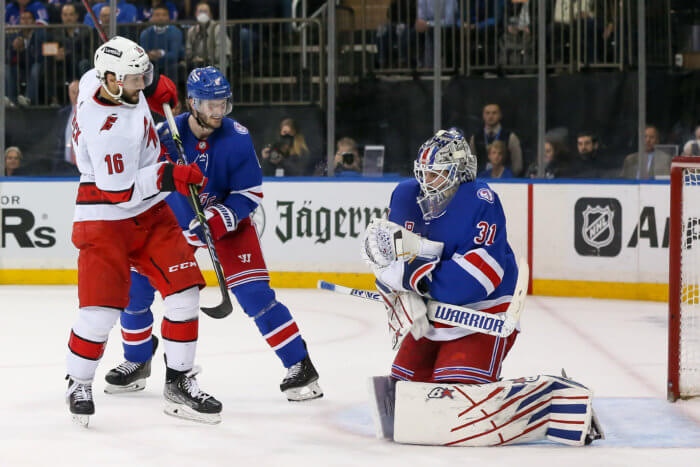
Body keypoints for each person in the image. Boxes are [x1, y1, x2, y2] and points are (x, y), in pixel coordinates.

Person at [361, 129, 602, 446]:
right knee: (401, 397)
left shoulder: (480, 200)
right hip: (433, 319)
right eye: (423, 172)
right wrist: (400, 292)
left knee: (456, 402)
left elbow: (477, 280)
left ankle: (549, 398)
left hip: (484, 314)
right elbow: (387, 264)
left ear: (459, 173)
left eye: (436, 173)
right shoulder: (405, 196)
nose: (426, 181)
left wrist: (415, 280)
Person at [103, 66, 323, 402]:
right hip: (176, 225)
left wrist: (218, 219)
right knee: (136, 287)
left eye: (222, 104)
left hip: (228, 224)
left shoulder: (237, 137)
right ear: (191, 102)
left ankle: (300, 366)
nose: (218, 111)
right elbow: (143, 175)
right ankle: (137, 360)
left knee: (254, 295)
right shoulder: (166, 134)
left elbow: (249, 193)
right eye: (210, 104)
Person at [65, 36, 222, 427]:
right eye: (136, 79)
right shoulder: (108, 131)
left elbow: (101, 75)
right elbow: (119, 192)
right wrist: (172, 174)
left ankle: (180, 382)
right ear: (113, 81)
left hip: (150, 213)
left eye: (142, 75)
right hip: (104, 217)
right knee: (100, 312)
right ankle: (78, 381)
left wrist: (151, 85)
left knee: (184, 293)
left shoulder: (94, 80)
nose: (142, 83)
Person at [5, 10, 45, 107]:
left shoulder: (40, 35)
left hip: (36, 69)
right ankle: (11, 100)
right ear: (20, 21)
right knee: (6, 67)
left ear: (34, 21)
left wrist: (23, 49)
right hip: (20, 70)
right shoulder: (14, 36)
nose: (26, 21)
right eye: (23, 19)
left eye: (28, 18)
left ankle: (28, 99)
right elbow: (8, 59)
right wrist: (14, 49)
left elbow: (38, 58)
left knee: (35, 68)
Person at [469, 103, 523, 176]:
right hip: (481, 179)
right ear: (483, 115)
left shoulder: (510, 137)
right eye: (487, 113)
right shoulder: (475, 138)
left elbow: (517, 165)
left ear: (500, 115)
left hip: (505, 180)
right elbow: (470, 164)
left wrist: (510, 178)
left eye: (494, 113)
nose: (490, 116)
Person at [139, 5, 183, 78]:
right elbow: (143, 55)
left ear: (169, 17)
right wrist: (152, 55)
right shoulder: (145, 33)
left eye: (164, 15)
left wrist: (160, 54)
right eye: (157, 15)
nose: (160, 17)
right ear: (152, 17)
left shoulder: (175, 32)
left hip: (170, 67)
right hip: (152, 67)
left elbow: (174, 55)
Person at [185, 1, 231, 69]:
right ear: (196, 14)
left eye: (205, 11)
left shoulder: (218, 28)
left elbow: (222, 52)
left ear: (210, 15)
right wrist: (194, 58)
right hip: (197, 64)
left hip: (216, 65)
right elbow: (188, 50)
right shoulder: (191, 30)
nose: (202, 14)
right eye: (200, 11)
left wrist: (206, 60)